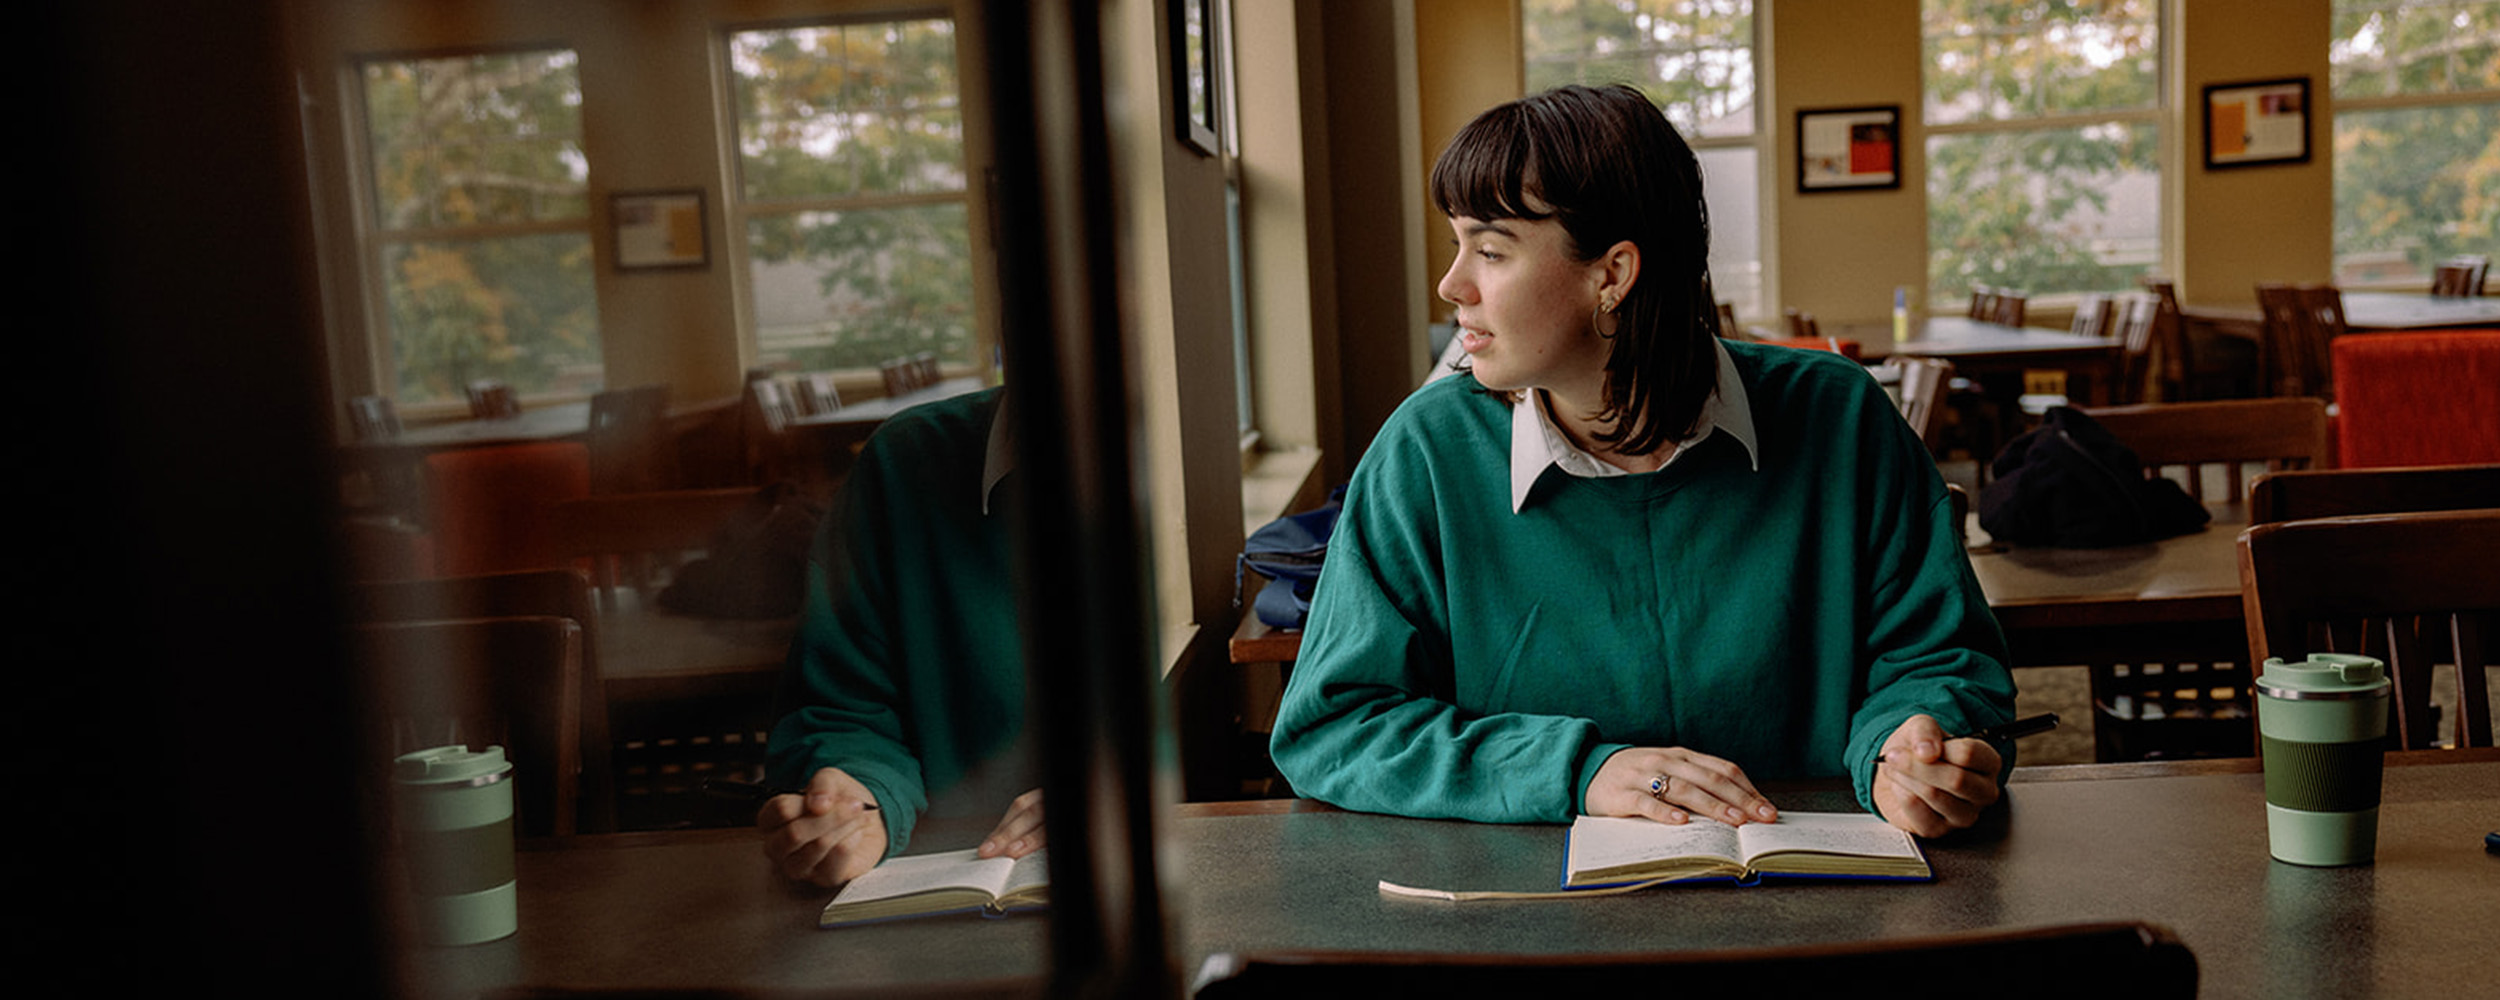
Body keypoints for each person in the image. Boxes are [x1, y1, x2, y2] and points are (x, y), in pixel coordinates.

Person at [1267, 85, 2016, 838]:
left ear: (1614, 274)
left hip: (1828, 901)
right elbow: (1334, 725)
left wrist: (1912, 743)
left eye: (1490, 250)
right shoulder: (1426, 452)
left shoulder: (1842, 418)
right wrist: (1576, 770)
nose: (1452, 284)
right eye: (1458, 244)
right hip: (1533, 926)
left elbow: (1939, 658)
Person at [757, 386, 1046, 887]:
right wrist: (856, 798)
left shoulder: (1187, 460)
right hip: (942, 882)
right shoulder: (904, 462)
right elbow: (844, 705)